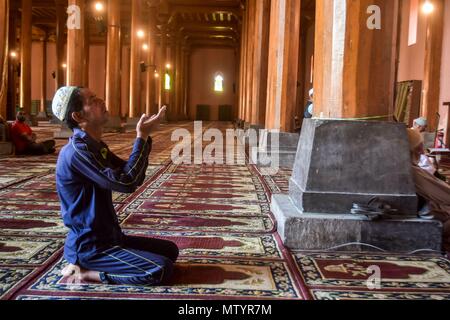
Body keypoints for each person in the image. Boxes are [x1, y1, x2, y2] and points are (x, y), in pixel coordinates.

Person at [52, 86, 178, 285]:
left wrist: (143, 137)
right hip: (91, 246)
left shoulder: (95, 146)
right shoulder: (78, 152)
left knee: (170, 251)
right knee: (160, 269)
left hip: (110, 237)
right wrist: (141, 137)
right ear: (78, 116)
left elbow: (131, 176)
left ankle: (94, 264)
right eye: (92, 100)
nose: (101, 100)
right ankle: (86, 273)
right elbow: (126, 183)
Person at [407, 128, 450, 222]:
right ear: (410, 149)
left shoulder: (404, 168)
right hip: (433, 222)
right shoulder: (411, 171)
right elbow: (447, 196)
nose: (422, 152)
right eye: (419, 147)